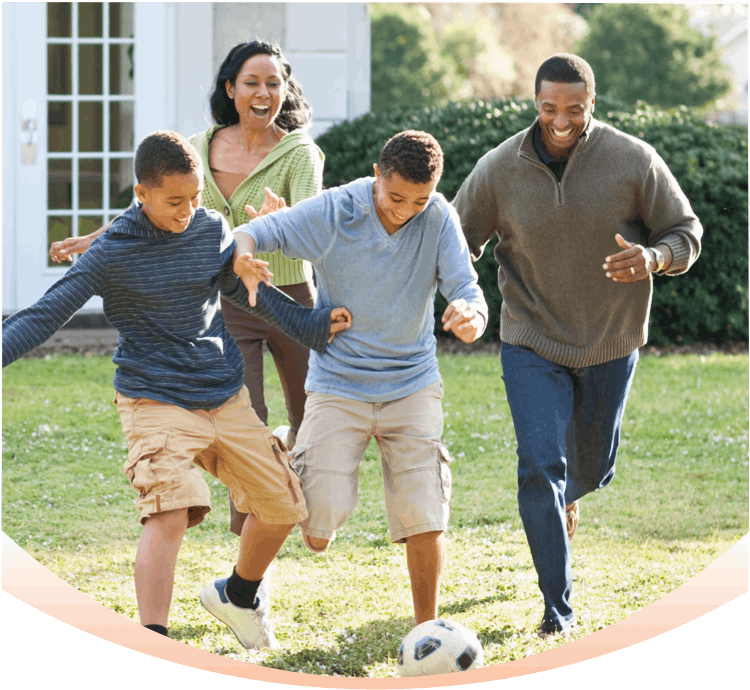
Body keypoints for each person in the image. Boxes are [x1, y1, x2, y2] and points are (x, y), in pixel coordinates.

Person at [3, 131, 351, 649]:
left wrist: (311, 325)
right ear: (141, 194)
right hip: (155, 399)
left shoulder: (210, 228)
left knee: (282, 504)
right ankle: (155, 643)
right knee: (169, 509)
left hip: (222, 393)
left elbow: (247, 293)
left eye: (193, 198)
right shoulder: (111, 252)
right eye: (174, 201)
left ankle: (237, 594)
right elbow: (44, 314)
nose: (188, 210)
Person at [452, 54, 703, 638]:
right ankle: (556, 609)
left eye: (574, 110)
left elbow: (685, 230)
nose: (560, 121)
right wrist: (461, 291)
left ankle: (572, 495)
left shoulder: (633, 160)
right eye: (548, 109)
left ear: (592, 105)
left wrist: (654, 257)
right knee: (540, 466)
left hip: (611, 340)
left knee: (590, 467)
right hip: (530, 337)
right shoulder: (499, 168)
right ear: (535, 104)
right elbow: (456, 237)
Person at [49, 40, 323, 536]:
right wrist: (99, 237)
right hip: (232, 299)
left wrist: (276, 226)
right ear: (230, 88)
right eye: (251, 83)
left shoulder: (300, 153)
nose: (263, 94)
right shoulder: (198, 146)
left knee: (311, 414)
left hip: (286, 294)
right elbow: (153, 205)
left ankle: (308, 514)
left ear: (285, 90)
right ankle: (251, 531)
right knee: (249, 414)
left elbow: (312, 224)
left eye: (273, 83)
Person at [233, 130, 489, 626]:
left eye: (419, 200)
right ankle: (295, 448)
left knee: (424, 511)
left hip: (412, 383)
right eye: (395, 197)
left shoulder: (437, 217)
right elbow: (253, 235)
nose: (406, 210)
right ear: (376, 174)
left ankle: (426, 631)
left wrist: (471, 317)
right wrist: (244, 256)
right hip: (339, 384)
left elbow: (466, 288)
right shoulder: (336, 211)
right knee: (317, 533)